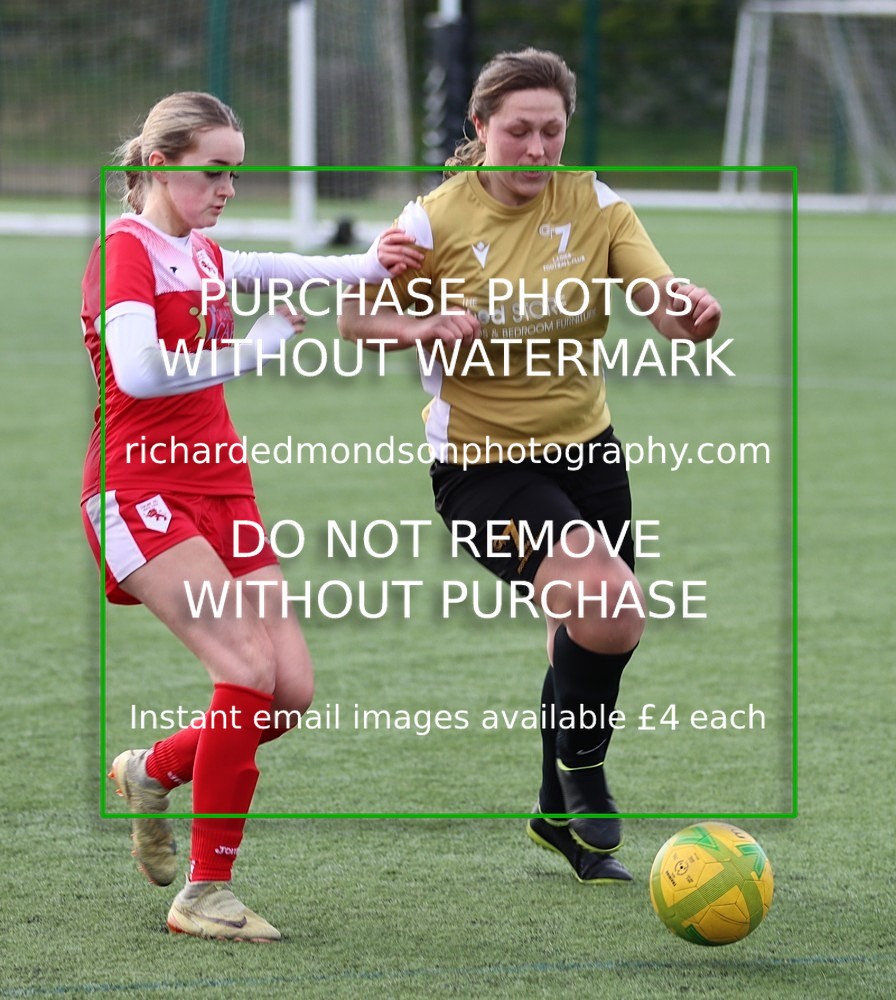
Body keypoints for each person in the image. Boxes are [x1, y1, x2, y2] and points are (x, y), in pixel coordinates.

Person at [337, 49, 721, 883]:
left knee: (581, 633)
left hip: (588, 454)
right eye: (518, 131)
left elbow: (658, 293)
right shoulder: (433, 219)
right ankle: (584, 767)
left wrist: (687, 312)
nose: (537, 148)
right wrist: (418, 328)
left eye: (552, 131)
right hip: (483, 470)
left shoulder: (596, 203)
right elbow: (355, 315)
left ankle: (560, 819)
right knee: (612, 610)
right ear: (480, 128)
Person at [80, 91, 421, 941]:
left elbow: (286, 267)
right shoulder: (123, 253)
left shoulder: (197, 248)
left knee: (289, 690)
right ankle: (205, 892)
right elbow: (140, 373)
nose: (228, 186)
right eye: (214, 170)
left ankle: (152, 772)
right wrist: (262, 345)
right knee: (244, 671)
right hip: (141, 488)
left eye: (236, 171)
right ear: (160, 166)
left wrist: (373, 265)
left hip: (222, 485)